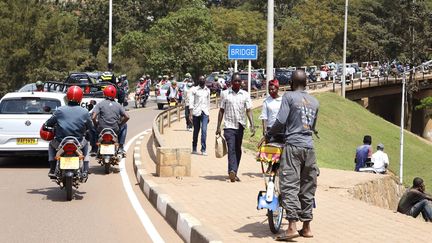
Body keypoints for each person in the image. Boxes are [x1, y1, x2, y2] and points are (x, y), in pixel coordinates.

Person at [265, 70, 319, 240]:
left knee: (290, 185)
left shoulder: (288, 97)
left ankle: (291, 228)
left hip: (293, 147)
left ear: (291, 83)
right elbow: (311, 127)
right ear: (306, 83)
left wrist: (269, 134)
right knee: (308, 187)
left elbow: (281, 121)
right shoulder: (315, 102)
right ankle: (307, 227)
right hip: (310, 149)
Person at [44, 86, 94, 180]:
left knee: (51, 144)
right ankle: (86, 168)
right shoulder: (84, 112)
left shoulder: (60, 110)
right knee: (86, 145)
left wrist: (45, 126)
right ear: (80, 98)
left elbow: (49, 123)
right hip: (78, 142)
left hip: (60, 142)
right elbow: (91, 127)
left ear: (67, 96)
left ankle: (52, 168)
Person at [216, 73, 255, 182]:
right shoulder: (225, 94)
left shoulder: (245, 95)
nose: (237, 83)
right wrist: (218, 126)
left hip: (240, 126)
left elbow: (249, 110)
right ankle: (231, 171)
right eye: (235, 81)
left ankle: (235, 171)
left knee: (238, 149)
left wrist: (252, 124)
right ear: (231, 82)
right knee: (231, 148)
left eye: (239, 81)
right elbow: (221, 110)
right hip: (228, 126)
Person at [92, 85, 130, 155]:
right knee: (125, 126)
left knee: (92, 127)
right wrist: (120, 124)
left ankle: (94, 148)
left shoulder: (100, 104)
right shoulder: (118, 105)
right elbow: (127, 117)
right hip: (115, 129)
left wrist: (96, 124)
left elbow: (93, 117)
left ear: (105, 93)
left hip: (101, 129)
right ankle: (121, 147)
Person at [189, 76, 210, 155]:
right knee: (196, 131)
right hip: (196, 112)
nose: (202, 80)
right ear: (199, 81)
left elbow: (208, 103)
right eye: (200, 79)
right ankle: (194, 147)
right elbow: (191, 102)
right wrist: (191, 113)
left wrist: (208, 114)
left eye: (203, 79)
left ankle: (203, 149)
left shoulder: (207, 90)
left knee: (204, 131)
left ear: (205, 81)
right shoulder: (194, 90)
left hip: (205, 112)